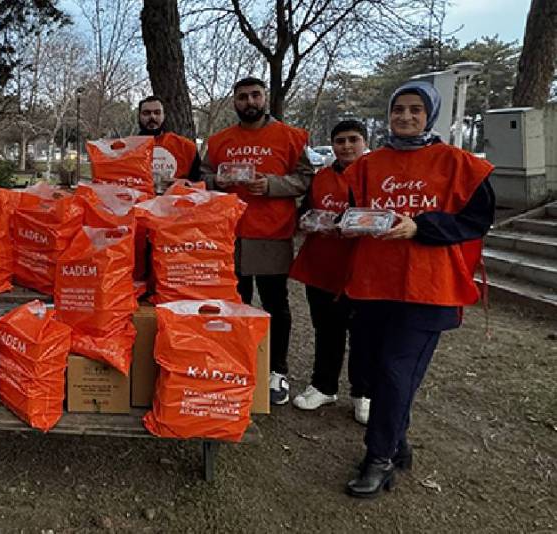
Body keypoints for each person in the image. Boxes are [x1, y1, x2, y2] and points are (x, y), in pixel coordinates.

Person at [342, 81, 495, 498]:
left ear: (431, 114)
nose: (405, 117)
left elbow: (475, 221)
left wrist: (421, 226)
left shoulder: (458, 163)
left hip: (428, 287)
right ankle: (397, 441)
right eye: (398, 109)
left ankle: (379, 459)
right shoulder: (369, 164)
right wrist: (348, 222)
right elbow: (358, 212)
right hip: (374, 283)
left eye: (415, 110)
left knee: (395, 371)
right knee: (374, 371)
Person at [200, 77, 314, 406]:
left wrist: (273, 185)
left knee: (275, 304)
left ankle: (277, 370)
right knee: (234, 304)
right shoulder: (220, 140)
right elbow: (203, 176)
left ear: (265, 98)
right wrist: (216, 180)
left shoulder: (290, 137)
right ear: (234, 101)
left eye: (255, 95)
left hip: (271, 234)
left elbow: (306, 178)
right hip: (228, 234)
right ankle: (236, 363)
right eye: (242, 97)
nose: (249, 101)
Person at [288, 119, 371, 423]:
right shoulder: (321, 177)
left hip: (363, 270)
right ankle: (323, 385)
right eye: (340, 141)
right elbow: (305, 213)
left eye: (353, 140)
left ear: (364, 142)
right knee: (326, 330)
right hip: (322, 266)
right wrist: (309, 221)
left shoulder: (376, 175)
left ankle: (364, 392)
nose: (346, 146)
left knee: (364, 335)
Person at [136, 95, 201, 189]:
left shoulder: (186, 147)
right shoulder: (128, 149)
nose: (152, 117)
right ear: (139, 116)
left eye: (157, 113)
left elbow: (200, 182)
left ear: (164, 116)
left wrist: (182, 184)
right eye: (146, 113)